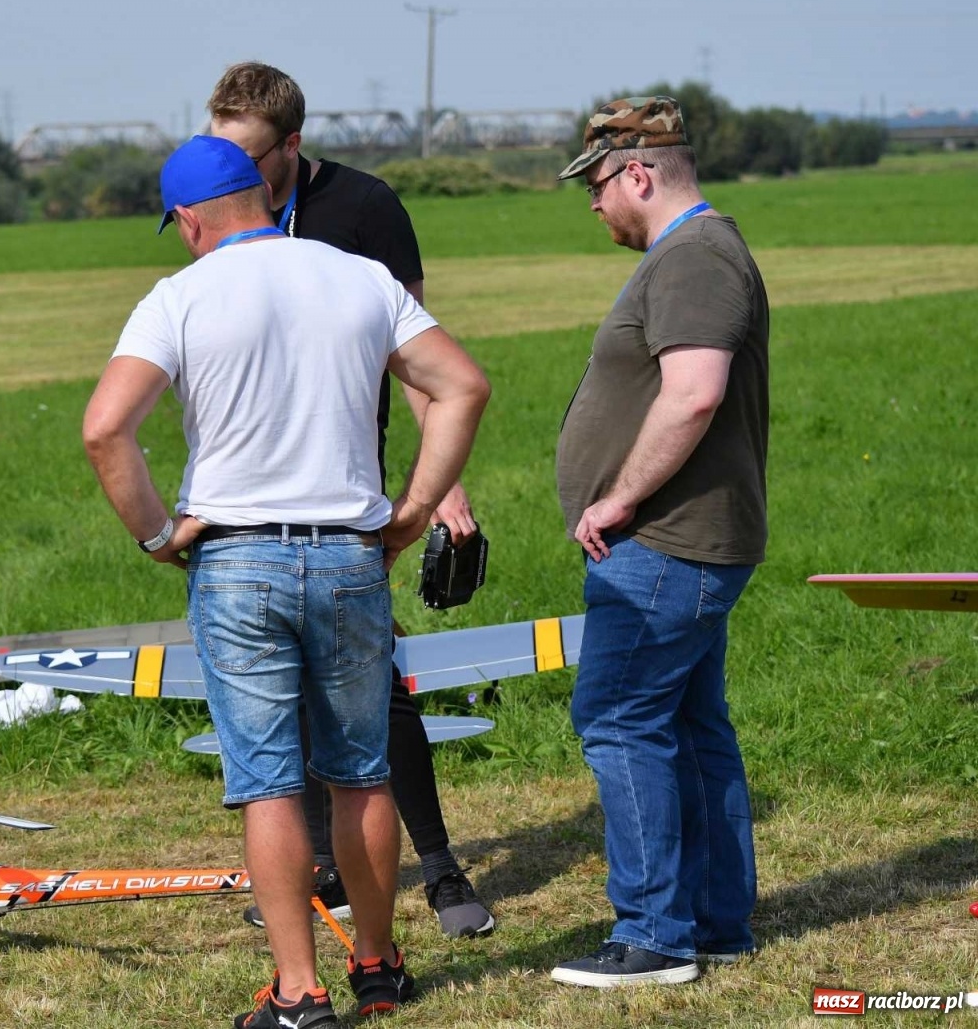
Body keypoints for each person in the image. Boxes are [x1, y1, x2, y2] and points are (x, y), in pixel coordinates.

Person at [83, 135, 490, 1027]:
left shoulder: (177, 298)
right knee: (363, 774)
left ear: (189, 218)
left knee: (268, 783)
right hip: (350, 554)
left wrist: (159, 535)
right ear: (262, 194)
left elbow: (106, 428)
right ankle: (378, 969)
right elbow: (461, 385)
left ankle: (300, 994)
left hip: (233, 561)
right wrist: (414, 509)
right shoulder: (357, 277)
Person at [206, 61, 495, 939]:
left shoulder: (365, 210)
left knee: (378, 691)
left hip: (346, 484)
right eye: (221, 157)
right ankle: (324, 871)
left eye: (250, 159)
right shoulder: (218, 203)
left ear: (293, 145)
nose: (234, 179)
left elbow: (422, 360)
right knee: (286, 697)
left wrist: (438, 488)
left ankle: (441, 871)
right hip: (251, 499)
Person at [549, 97, 770, 987]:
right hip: (685, 541)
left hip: (667, 543)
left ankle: (653, 936)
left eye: (597, 185)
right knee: (686, 721)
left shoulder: (694, 260)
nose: (594, 205)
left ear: (638, 173)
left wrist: (618, 500)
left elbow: (693, 394)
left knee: (618, 719)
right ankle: (715, 922)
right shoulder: (696, 254)